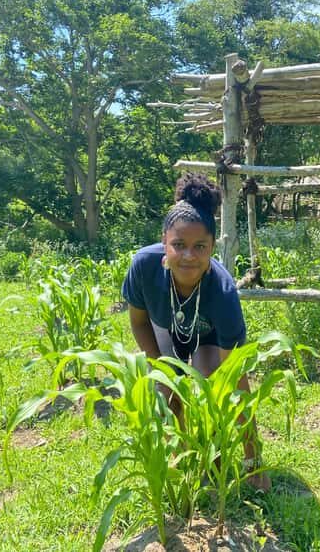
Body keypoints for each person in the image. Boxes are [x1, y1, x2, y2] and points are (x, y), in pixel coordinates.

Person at [121, 172, 269, 491]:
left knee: (209, 389)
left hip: (209, 341)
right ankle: (183, 455)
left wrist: (253, 458)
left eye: (200, 246)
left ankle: (213, 461)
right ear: (164, 242)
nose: (189, 255)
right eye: (179, 245)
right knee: (165, 392)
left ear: (213, 247)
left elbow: (236, 381)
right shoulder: (143, 267)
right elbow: (138, 321)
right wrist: (162, 369)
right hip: (164, 332)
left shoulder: (223, 292)